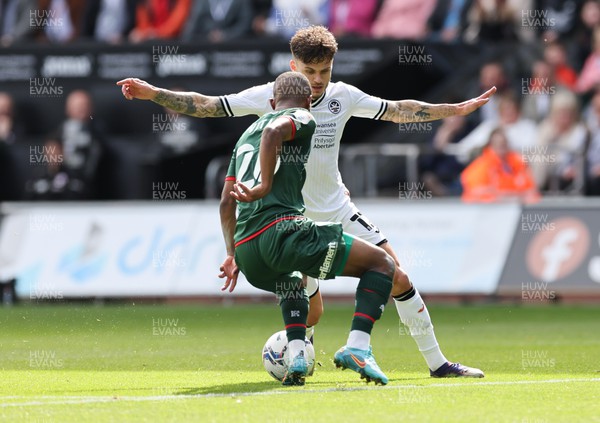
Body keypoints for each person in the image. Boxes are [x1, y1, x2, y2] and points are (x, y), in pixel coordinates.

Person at [117, 25, 491, 378]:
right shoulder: (269, 98)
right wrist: (154, 94)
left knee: (399, 275)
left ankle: (438, 364)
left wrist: (452, 110)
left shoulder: (343, 97)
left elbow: (398, 109)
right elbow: (207, 104)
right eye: (309, 71)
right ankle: (302, 355)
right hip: (290, 219)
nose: (316, 80)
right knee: (312, 309)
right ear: (294, 66)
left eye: (324, 71)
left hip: (338, 209)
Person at [220, 71, 397, 386]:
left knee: (293, 282)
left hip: (248, 253)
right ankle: (357, 348)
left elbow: (225, 204)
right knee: (382, 264)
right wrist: (264, 187)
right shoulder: (302, 115)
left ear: (272, 102)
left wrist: (231, 254)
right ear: (309, 101)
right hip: (283, 231)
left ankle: (298, 356)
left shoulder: (244, 136)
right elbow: (273, 132)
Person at [460, 127, 540, 203]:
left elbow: (531, 190)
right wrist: (504, 196)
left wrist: (514, 196)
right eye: (498, 144)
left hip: (517, 208)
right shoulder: (480, 166)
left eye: (504, 143)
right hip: (488, 211)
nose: (501, 147)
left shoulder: (518, 162)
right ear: (490, 145)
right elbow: (475, 192)